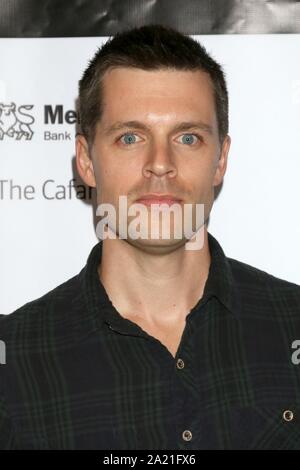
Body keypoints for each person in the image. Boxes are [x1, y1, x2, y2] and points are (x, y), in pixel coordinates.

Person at [0, 24, 300, 450]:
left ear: (220, 161)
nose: (160, 164)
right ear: (86, 160)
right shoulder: (13, 361)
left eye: (188, 137)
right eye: (130, 137)